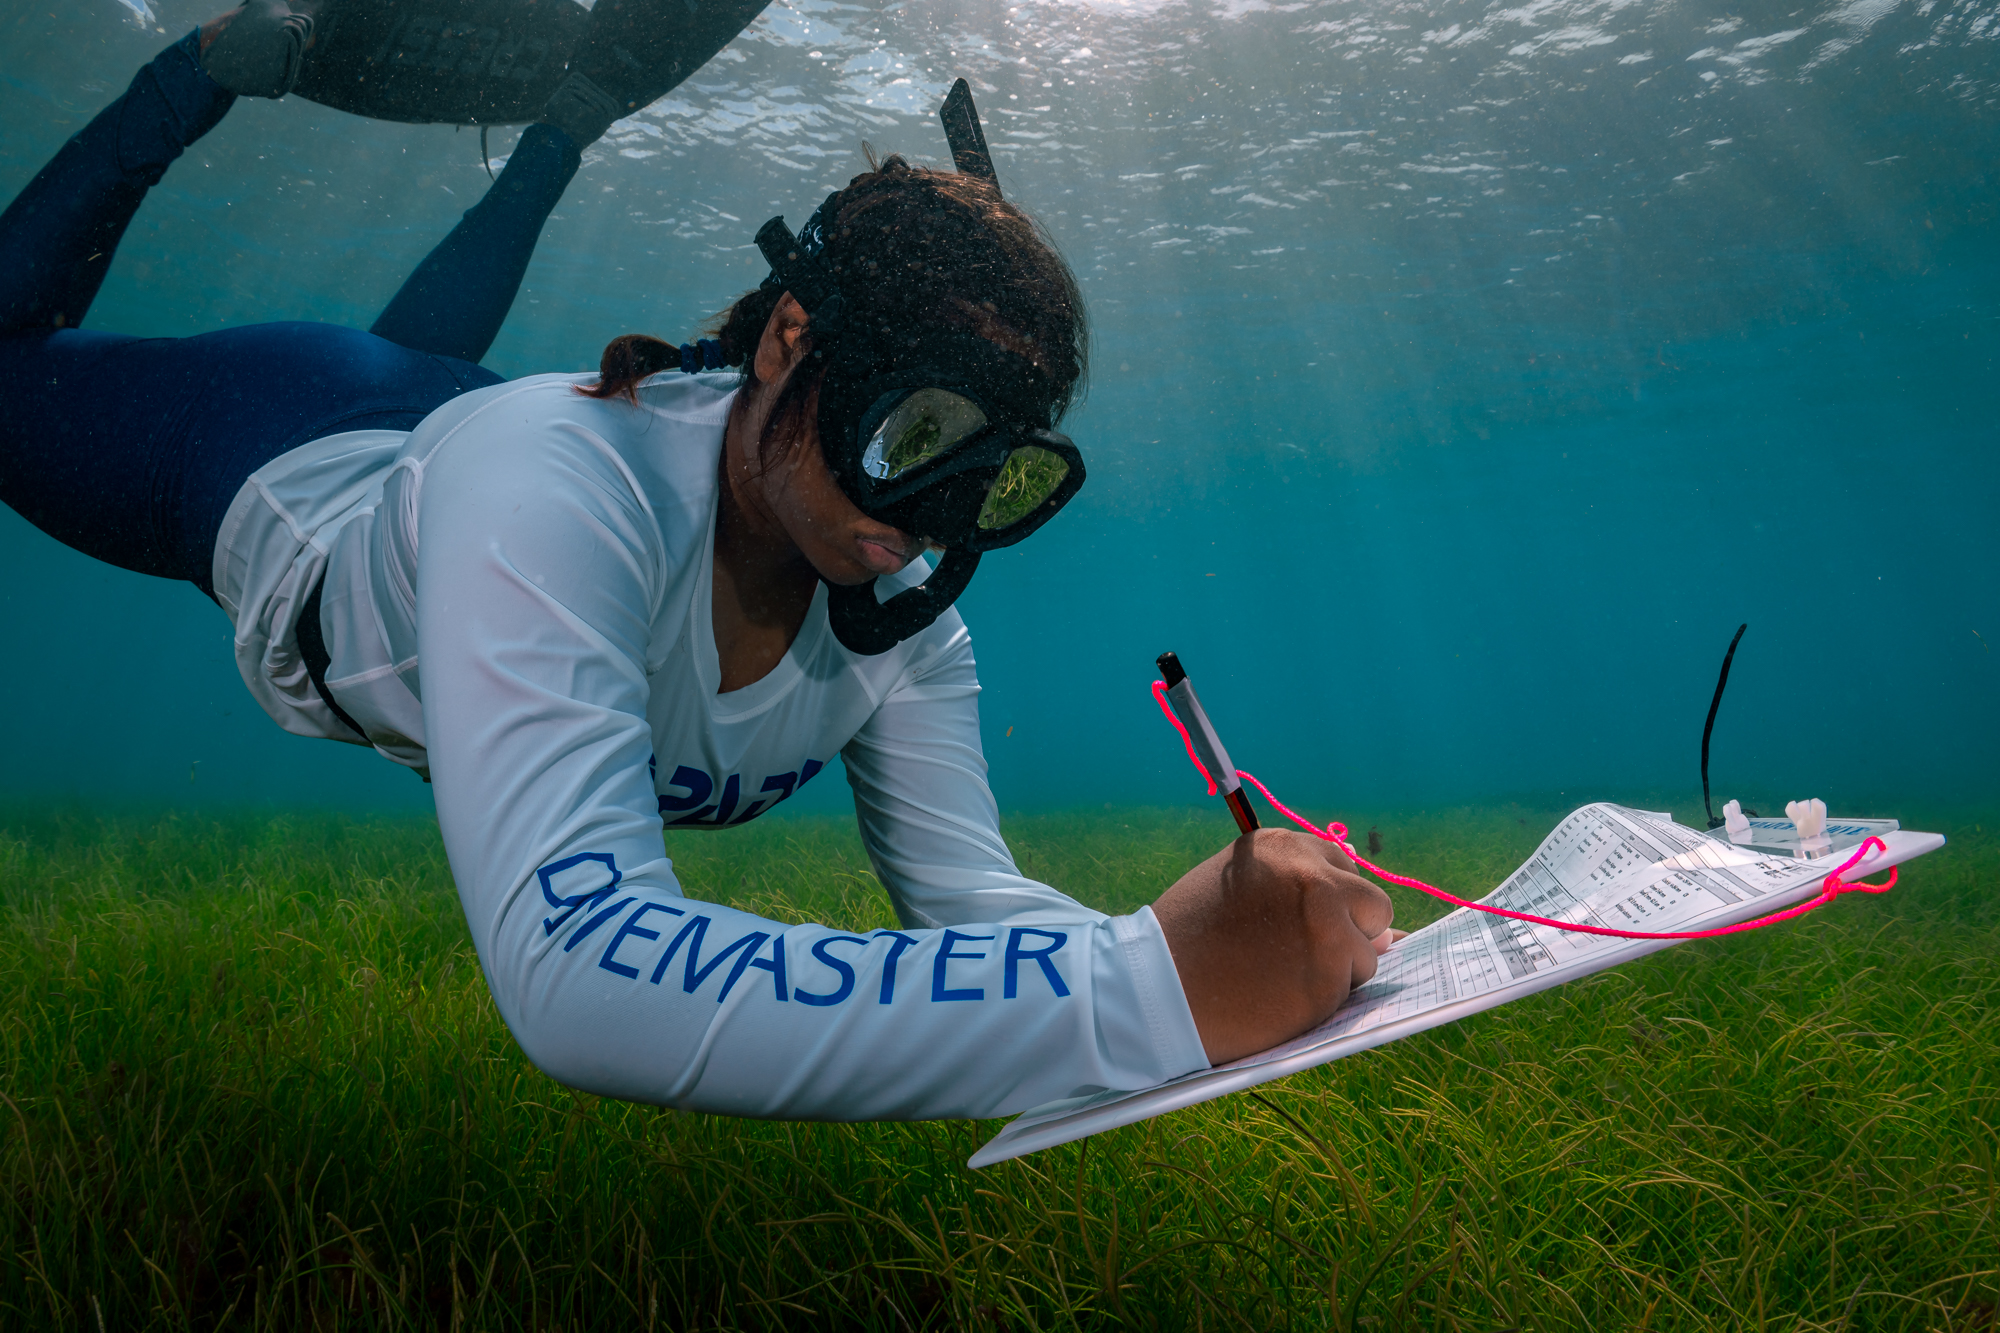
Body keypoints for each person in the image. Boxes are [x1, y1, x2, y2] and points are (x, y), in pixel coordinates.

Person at [0, 6, 1396, 1122]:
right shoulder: (554, 487)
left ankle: (564, 120)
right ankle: (200, 71)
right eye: (917, 431)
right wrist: (1137, 995)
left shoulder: (898, 613)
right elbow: (580, 977)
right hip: (277, 459)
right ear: (790, 338)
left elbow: (978, 917)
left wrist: (1178, 945)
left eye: (992, 476)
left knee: (429, 371)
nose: (932, 516)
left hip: (439, 431)